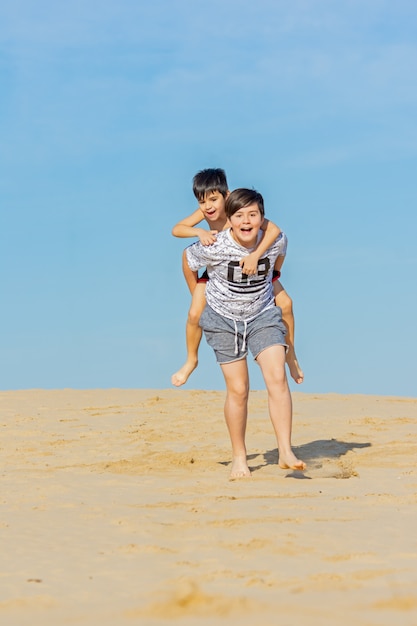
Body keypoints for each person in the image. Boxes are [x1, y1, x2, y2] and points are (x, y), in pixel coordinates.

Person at [184, 188, 306, 478]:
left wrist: (269, 279)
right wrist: (197, 295)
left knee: (276, 376)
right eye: (239, 215)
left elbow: (278, 264)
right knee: (239, 391)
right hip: (223, 321)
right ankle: (240, 457)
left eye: (253, 214)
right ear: (231, 218)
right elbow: (188, 261)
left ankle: (285, 450)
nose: (247, 221)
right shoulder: (215, 245)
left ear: (263, 218)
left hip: (262, 315)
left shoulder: (276, 240)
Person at [171, 168, 303, 387]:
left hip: (256, 272)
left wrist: (260, 260)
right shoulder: (205, 213)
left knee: (287, 304)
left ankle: (291, 355)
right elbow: (177, 230)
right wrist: (199, 233)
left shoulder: (239, 210)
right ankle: (191, 360)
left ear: (227, 195)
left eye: (214, 199)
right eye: (202, 202)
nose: (209, 206)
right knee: (195, 313)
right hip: (218, 276)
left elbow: (274, 230)